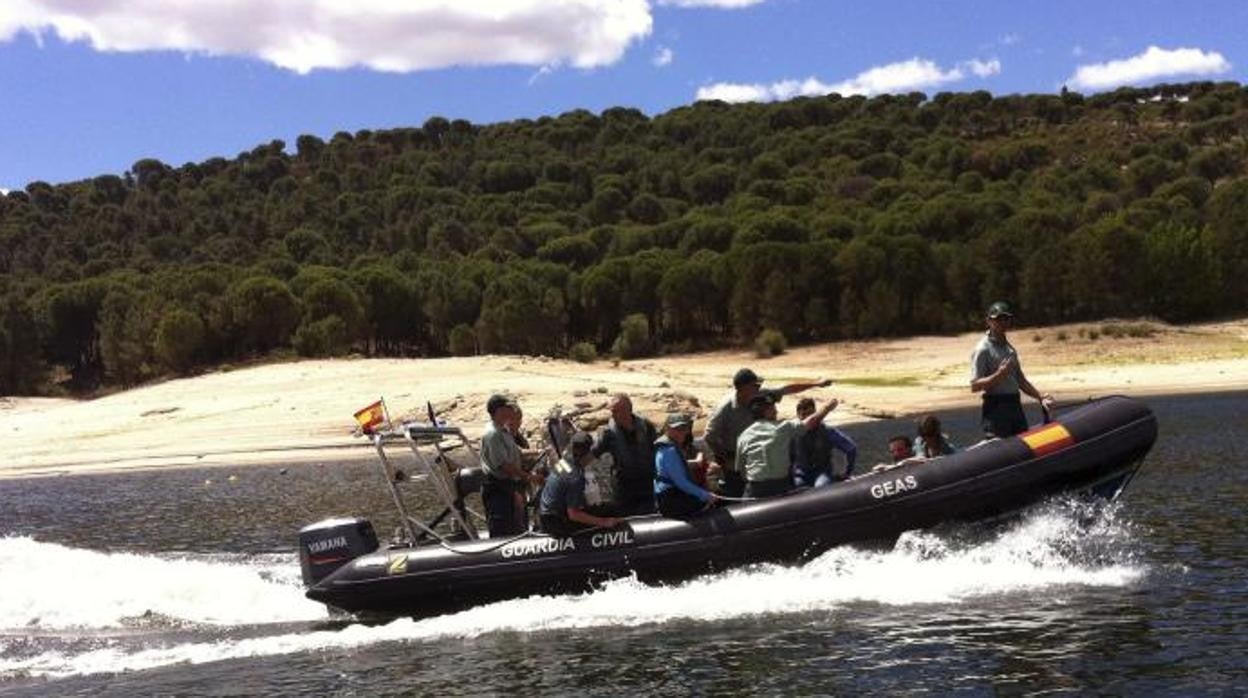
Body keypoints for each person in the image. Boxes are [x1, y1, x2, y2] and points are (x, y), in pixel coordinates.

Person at [704, 368, 832, 497]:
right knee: (737, 492)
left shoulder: (761, 396)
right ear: (743, 388)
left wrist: (817, 383)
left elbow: (787, 389)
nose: (759, 387)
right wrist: (724, 457)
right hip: (733, 457)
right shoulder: (724, 409)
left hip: (761, 456)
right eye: (755, 385)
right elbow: (709, 436)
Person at [970, 301, 1056, 438]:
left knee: (1023, 445)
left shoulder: (1009, 349)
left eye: (1006, 319)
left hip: (1014, 405)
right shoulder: (982, 349)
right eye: (998, 319)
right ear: (988, 321)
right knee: (999, 449)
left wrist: (1040, 398)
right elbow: (975, 386)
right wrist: (999, 374)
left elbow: (1020, 380)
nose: (1003, 322)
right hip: (996, 408)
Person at [736, 393, 839, 499]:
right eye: (773, 409)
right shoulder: (783, 428)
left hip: (754, 489)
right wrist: (827, 407)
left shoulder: (743, 436)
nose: (776, 412)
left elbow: (742, 472)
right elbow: (810, 422)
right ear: (766, 412)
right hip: (780, 487)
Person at [479, 394, 543, 538]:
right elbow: (504, 466)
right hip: (498, 488)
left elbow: (517, 452)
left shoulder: (503, 430)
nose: (511, 412)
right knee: (504, 528)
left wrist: (540, 452)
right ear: (499, 411)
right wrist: (530, 477)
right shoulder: (493, 434)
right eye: (508, 408)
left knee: (517, 521)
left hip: (509, 486)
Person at [539, 432, 623, 537]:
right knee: (610, 512)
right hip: (556, 522)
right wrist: (604, 521)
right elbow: (573, 514)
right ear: (589, 453)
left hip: (546, 515)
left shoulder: (565, 461)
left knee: (604, 508)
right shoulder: (576, 477)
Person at [592, 393, 659, 516]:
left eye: (616, 411)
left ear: (627, 410)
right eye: (612, 411)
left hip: (647, 482)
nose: (612, 415)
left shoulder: (646, 426)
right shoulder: (608, 433)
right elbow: (592, 454)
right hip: (624, 486)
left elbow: (658, 449)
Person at [655, 413, 718, 517]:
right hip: (670, 499)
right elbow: (681, 482)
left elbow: (678, 467)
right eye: (676, 429)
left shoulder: (668, 448)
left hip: (668, 496)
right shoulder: (669, 451)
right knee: (705, 503)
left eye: (683, 428)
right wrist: (705, 495)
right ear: (667, 429)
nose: (680, 432)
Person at [791, 397, 858, 488]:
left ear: (816, 414)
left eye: (810, 414)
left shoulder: (827, 431)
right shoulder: (791, 432)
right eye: (803, 415)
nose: (807, 418)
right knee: (793, 489)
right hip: (800, 473)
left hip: (821, 473)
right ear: (798, 415)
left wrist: (847, 473)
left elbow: (851, 449)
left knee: (821, 487)